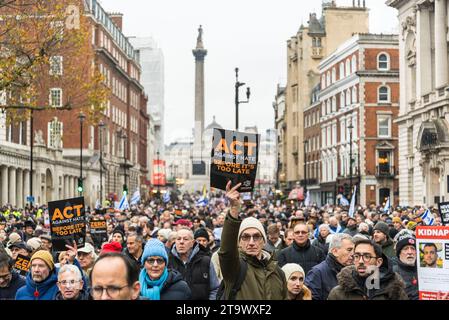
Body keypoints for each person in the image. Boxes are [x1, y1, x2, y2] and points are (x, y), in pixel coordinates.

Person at [219, 182, 287, 300]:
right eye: (245, 237)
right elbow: (226, 252)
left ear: (263, 241)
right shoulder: (235, 268)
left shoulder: (278, 273)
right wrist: (234, 208)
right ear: (238, 242)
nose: (251, 242)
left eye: (256, 237)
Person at [328, 238, 408, 300]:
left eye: (367, 256)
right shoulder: (338, 293)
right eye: (357, 256)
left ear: (378, 262)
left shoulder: (395, 291)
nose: (361, 261)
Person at [168, 227, 220, 300]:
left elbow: (215, 289)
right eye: (178, 239)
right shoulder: (167, 261)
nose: (181, 242)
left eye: (185, 239)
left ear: (192, 242)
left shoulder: (205, 261)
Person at [305, 233, 354, 300]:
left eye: (354, 250)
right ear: (335, 251)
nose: (353, 254)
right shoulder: (317, 273)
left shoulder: (354, 271)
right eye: (349, 250)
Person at [392, 234, 418, 300]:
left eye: (413, 249)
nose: (410, 252)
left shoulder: (423, 269)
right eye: (406, 249)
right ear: (399, 254)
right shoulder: (393, 274)